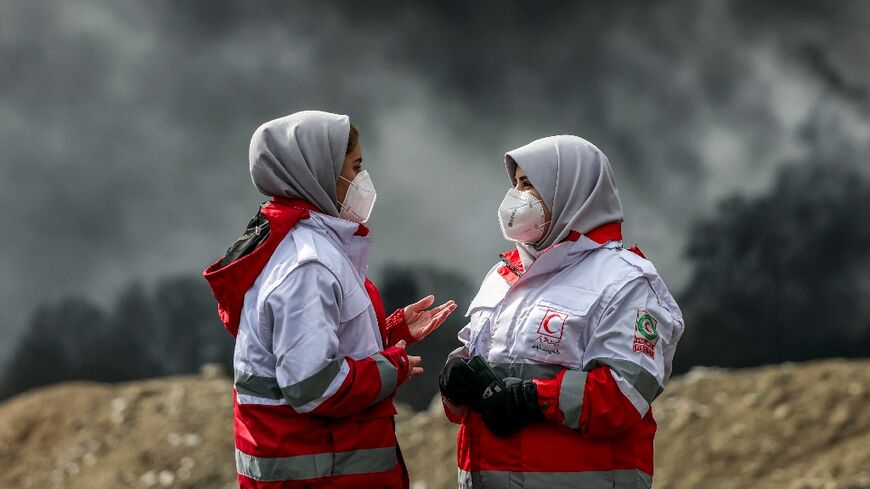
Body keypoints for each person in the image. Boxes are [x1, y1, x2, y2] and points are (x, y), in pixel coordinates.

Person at [204, 110, 456, 489]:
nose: (361, 179)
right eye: (355, 166)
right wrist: (392, 366)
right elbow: (313, 385)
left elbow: (310, 346)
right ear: (317, 171)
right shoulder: (309, 265)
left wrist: (387, 333)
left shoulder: (295, 243)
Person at [439, 135, 684, 489]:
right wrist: (457, 374)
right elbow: (488, 358)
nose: (516, 197)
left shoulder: (624, 281)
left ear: (568, 189)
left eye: (529, 184)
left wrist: (533, 399)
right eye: (515, 184)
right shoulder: (503, 275)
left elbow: (624, 394)